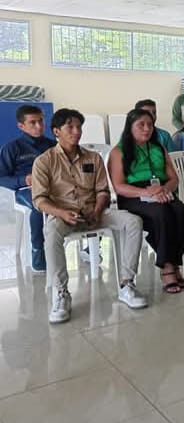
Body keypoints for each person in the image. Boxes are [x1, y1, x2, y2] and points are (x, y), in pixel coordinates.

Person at [31, 108, 148, 322]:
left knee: (133, 221)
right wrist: (62, 213)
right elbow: (39, 200)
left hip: (95, 211)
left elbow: (103, 191)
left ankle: (127, 284)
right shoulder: (44, 161)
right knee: (51, 231)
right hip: (64, 214)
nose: (76, 131)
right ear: (56, 131)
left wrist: (97, 210)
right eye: (70, 127)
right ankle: (61, 293)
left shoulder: (93, 158)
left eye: (79, 127)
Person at [108, 109, 184, 293]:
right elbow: (119, 187)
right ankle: (168, 267)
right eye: (141, 125)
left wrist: (164, 189)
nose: (147, 129)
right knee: (162, 213)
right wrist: (147, 192)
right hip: (133, 194)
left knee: (183, 214)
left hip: (160, 190)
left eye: (150, 125)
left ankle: (171, 261)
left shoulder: (158, 148)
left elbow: (174, 179)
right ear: (130, 127)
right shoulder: (118, 151)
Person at [0, 102, 54, 271]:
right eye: (33, 122)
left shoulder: (53, 145)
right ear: (21, 126)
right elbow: (1, 178)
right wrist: (24, 180)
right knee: (40, 204)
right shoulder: (11, 148)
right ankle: (38, 253)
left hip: (54, 187)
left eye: (41, 121)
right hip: (26, 190)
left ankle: (89, 246)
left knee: (82, 198)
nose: (38, 126)